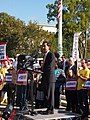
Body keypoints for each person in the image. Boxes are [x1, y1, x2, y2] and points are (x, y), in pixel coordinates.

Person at [41, 40, 55, 114]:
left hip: (50, 77)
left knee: (50, 94)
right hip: (45, 77)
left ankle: (51, 109)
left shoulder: (51, 55)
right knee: (46, 93)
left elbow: (50, 66)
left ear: (48, 46)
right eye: (42, 46)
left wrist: (43, 70)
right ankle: (48, 107)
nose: (43, 47)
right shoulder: (45, 55)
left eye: (45, 46)